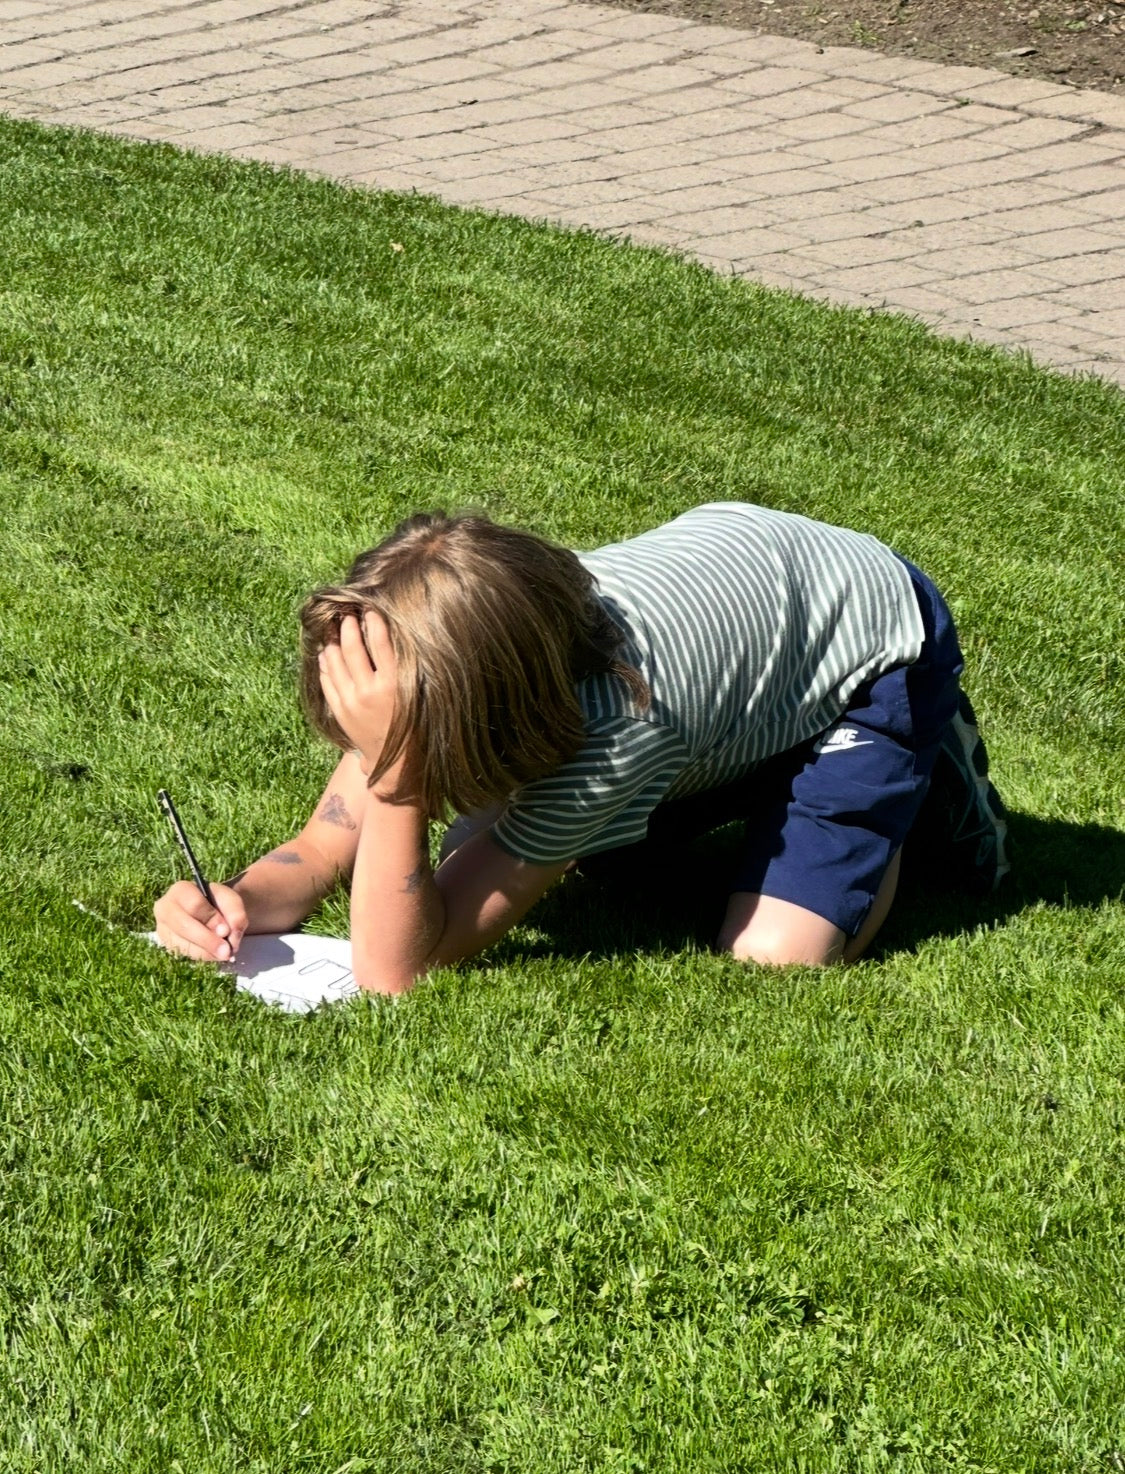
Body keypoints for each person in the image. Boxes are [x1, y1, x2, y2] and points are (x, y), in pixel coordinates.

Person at [153, 502, 1009, 993]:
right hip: (748, 636)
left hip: (877, 637)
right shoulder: (479, 646)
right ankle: (768, 762)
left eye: (384, 730)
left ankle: (908, 771)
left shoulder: (611, 738)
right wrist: (232, 898)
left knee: (773, 959)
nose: (368, 744)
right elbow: (319, 847)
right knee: (509, 845)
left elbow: (396, 968)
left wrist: (399, 782)